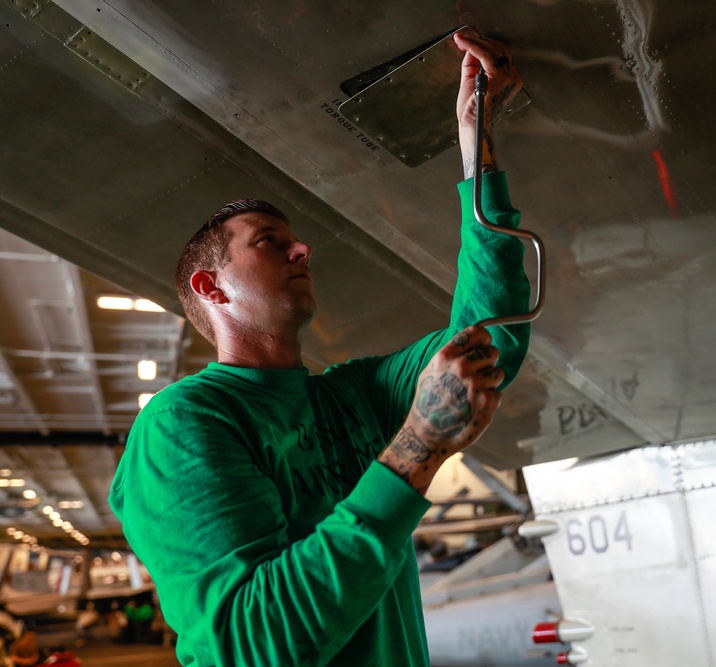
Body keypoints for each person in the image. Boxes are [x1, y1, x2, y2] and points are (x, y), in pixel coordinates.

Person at [110, 28, 529, 667]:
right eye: (269, 241)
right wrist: (418, 443)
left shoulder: (353, 395)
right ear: (210, 287)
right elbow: (256, 645)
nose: (302, 248)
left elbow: (491, 334)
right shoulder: (183, 426)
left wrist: (476, 144)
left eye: (295, 240)